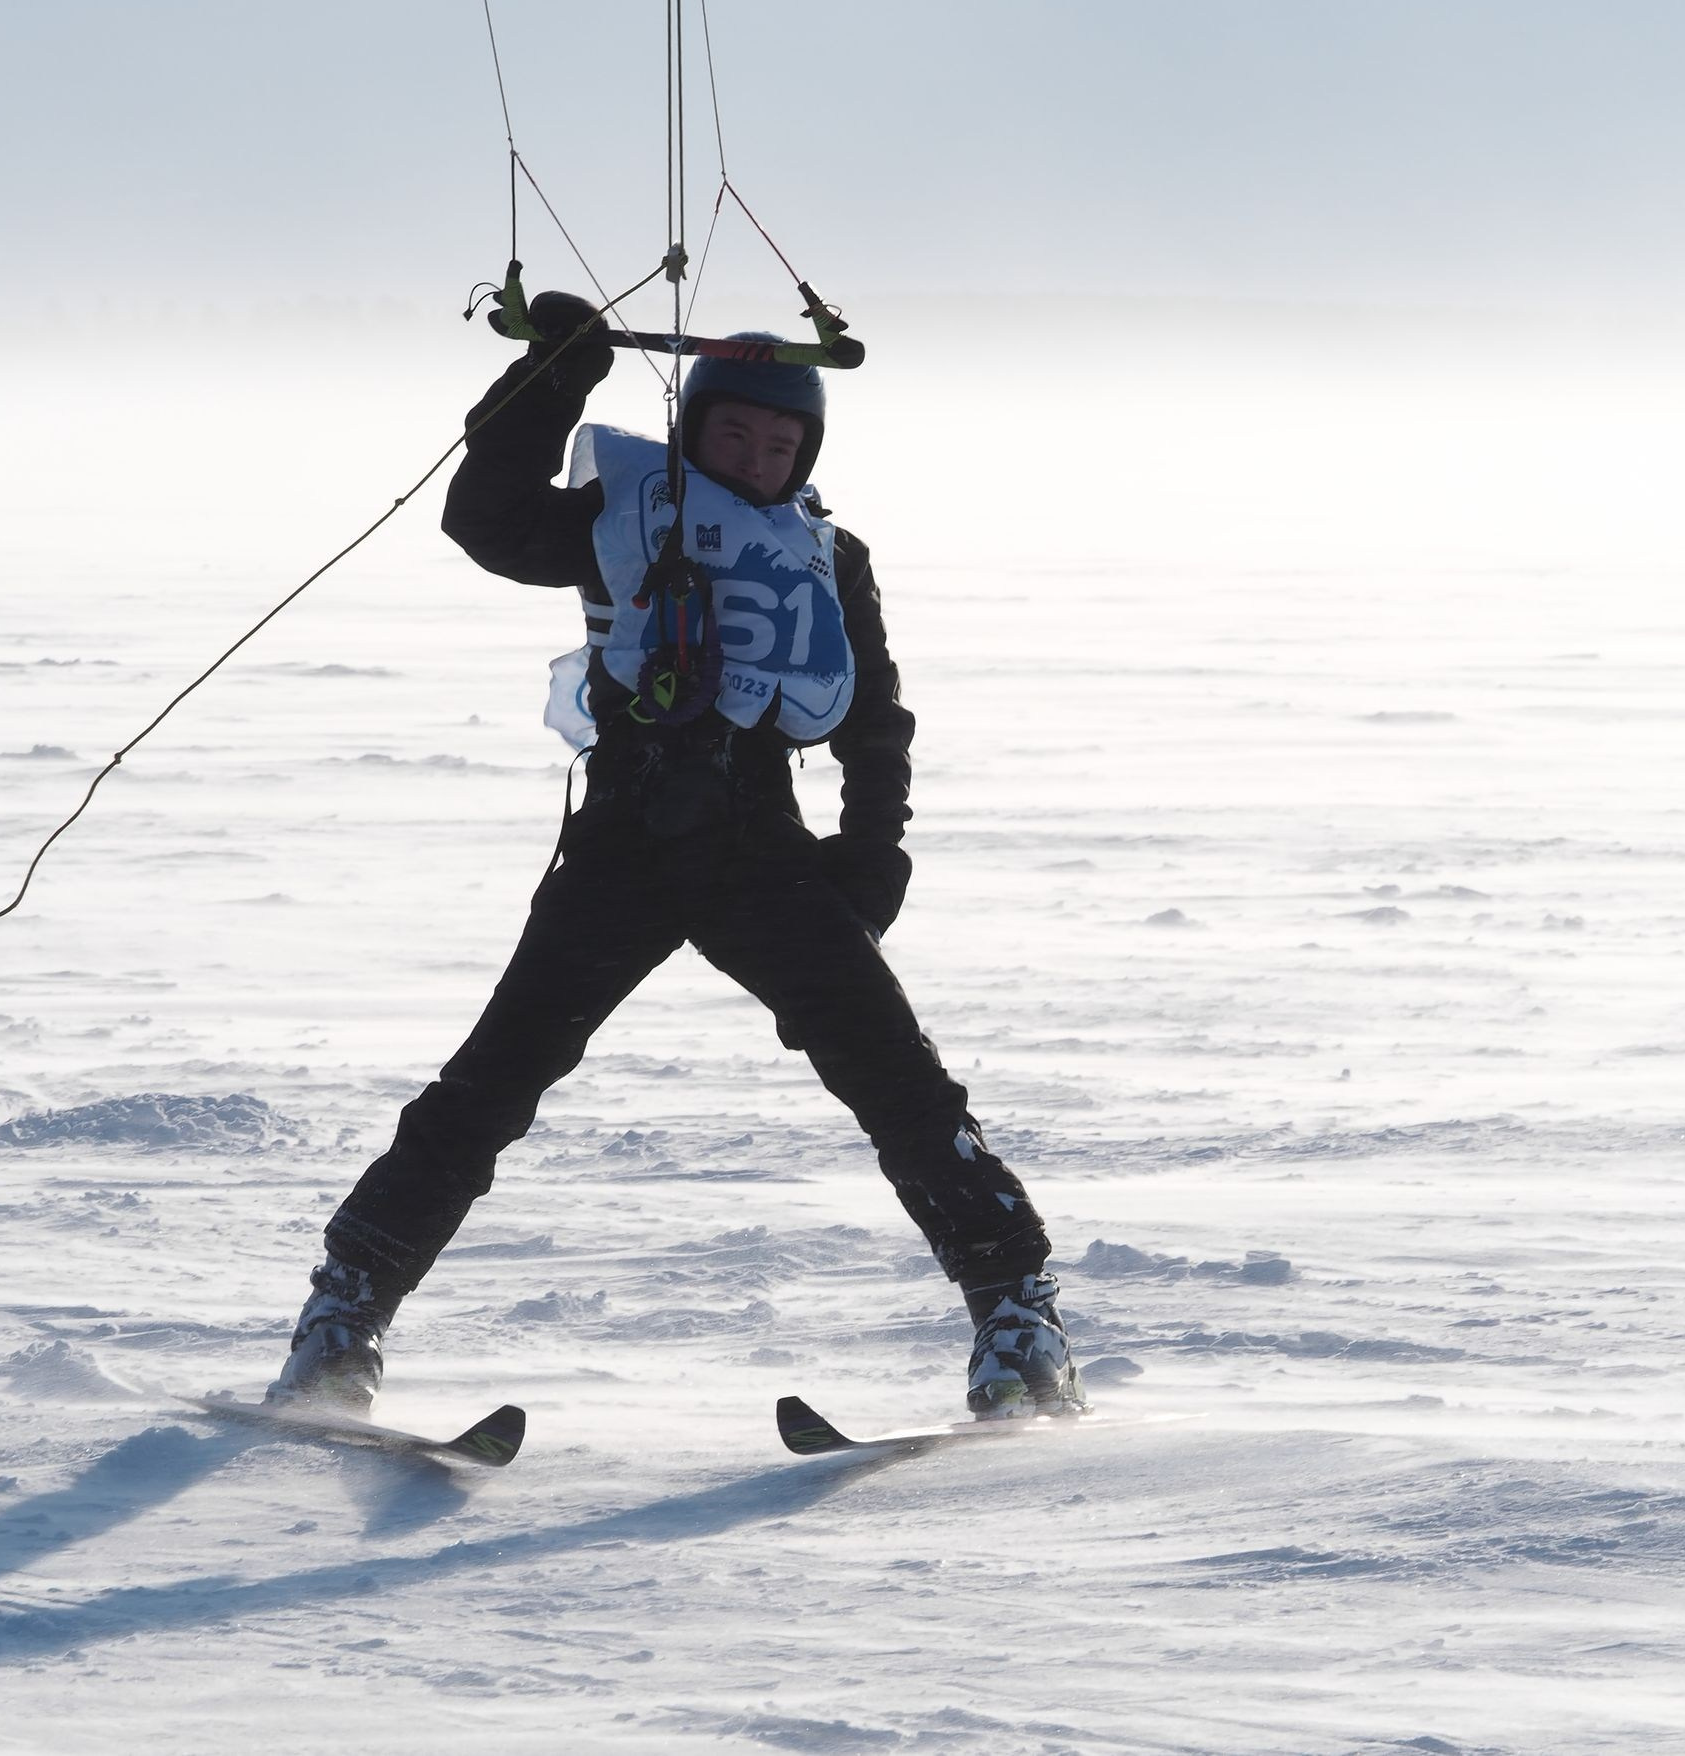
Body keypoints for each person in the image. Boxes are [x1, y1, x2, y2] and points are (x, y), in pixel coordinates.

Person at [266, 291, 1083, 1420]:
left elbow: (874, 724)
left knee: (897, 1078)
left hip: (763, 852)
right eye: (733, 434)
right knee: (489, 1084)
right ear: (694, 431)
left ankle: (1019, 1319)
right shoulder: (622, 518)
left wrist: (869, 853)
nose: (755, 457)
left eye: (779, 443)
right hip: (621, 845)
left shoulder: (829, 559)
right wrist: (552, 382)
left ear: (807, 455)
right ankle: (343, 1315)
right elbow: (486, 519)